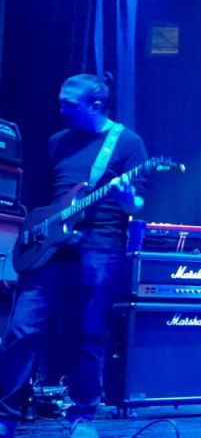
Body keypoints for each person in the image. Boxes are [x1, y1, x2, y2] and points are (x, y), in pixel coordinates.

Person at [0, 74, 148, 438]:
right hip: (48, 249)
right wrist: (34, 232)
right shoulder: (57, 141)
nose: (61, 109)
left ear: (95, 106)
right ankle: (5, 416)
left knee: (88, 334)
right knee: (21, 329)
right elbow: (39, 198)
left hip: (100, 247)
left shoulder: (127, 143)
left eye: (69, 103)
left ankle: (82, 417)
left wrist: (126, 198)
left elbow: (137, 204)